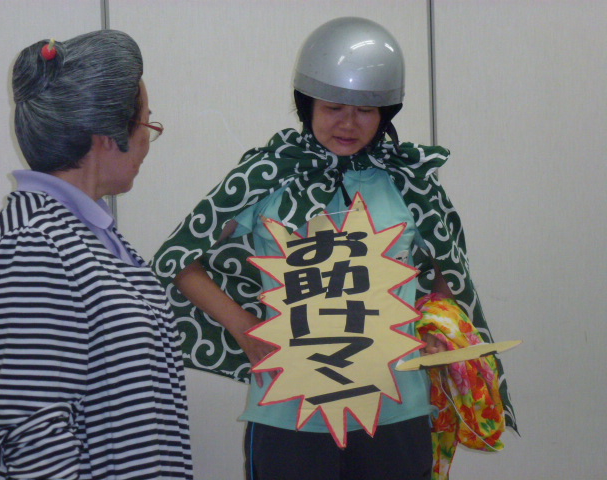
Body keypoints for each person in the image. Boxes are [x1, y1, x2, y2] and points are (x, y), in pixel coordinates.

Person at [152, 17, 515, 480]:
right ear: (307, 105)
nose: (348, 123)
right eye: (332, 107)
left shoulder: (410, 182)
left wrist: (434, 320)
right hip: (288, 410)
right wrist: (244, 329)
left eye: (365, 110)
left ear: (385, 113)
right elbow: (179, 259)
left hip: (397, 406)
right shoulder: (267, 175)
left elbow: (450, 266)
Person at [0, 30, 193, 479]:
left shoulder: (86, 233)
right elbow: (31, 434)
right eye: (146, 125)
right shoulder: (32, 244)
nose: (147, 143)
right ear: (106, 136)